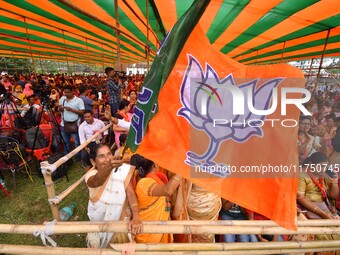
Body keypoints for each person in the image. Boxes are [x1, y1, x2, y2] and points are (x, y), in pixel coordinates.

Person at [85, 144, 142, 248]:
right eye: (102, 156)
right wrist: (109, 167)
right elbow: (96, 182)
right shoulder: (91, 174)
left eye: (109, 154)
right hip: (98, 224)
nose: (107, 159)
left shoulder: (121, 170)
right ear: (93, 161)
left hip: (120, 222)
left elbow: (130, 193)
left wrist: (136, 216)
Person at [132, 154, 182, 243]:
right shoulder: (144, 183)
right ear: (155, 164)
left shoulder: (146, 179)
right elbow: (168, 190)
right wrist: (183, 170)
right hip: (149, 235)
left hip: (154, 231)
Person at [297, 152, 340, 255]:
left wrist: (334, 182)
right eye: (320, 166)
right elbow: (300, 198)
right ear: (311, 164)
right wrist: (322, 214)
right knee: (321, 234)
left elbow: (333, 196)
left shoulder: (323, 175)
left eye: (325, 166)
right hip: (309, 209)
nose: (323, 169)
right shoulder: (302, 175)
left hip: (324, 207)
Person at [58, 85, 85, 157]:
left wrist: (71, 110)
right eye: (65, 92)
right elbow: (59, 110)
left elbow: (82, 112)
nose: (66, 94)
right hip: (64, 124)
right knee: (65, 141)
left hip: (74, 124)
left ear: (73, 92)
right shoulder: (62, 99)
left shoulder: (79, 100)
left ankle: (78, 156)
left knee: (76, 142)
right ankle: (67, 157)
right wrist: (60, 108)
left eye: (68, 92)